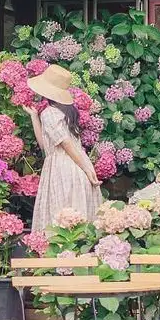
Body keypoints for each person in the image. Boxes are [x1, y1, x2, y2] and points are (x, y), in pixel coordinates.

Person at [27, 64, 102, 231]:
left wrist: (86, 169)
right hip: (77, 164)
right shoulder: (67, 112)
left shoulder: (50, 113)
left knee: (61, 218)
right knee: (76, 218)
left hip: (63, 168)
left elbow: (65, 144)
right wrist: (34, 116)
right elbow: (46, 145)